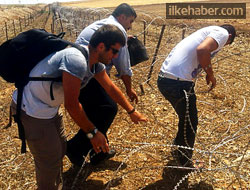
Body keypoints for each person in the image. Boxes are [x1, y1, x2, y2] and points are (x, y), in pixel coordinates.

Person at [10, 24, 147, 190]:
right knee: (49, 160)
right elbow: (72, 105)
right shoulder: (77, 61)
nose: (116, 56)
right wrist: (93, 133)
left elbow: (110, 88)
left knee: (59, 150)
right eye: (115, 51)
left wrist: (131, 111)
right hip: (32, 110)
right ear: (101, 46)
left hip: (48, 108)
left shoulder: (94, 62)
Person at [67, 3, 138, 166]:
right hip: (84, 72)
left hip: (87, 69)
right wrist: (129, 88)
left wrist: (130, 110)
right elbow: (123, 67)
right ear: (122, 17)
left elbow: (111, 87)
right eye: (130, 21)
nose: (130, 26)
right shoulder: (117, 30)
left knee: (99, 110)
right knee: (107, 108)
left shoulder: (105, 25)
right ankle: (74, 147)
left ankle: (98, 152)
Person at [157, 24, 236, 167]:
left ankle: (179, 149)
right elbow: (202, 50)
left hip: (167, 79)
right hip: (177, 83)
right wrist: (210, 74)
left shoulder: (206, 32)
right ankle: (184, 161)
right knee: (190, 121)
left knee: (186, 118)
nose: (222, 46)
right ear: (229, 37)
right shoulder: (223, 33)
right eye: (226, 44)